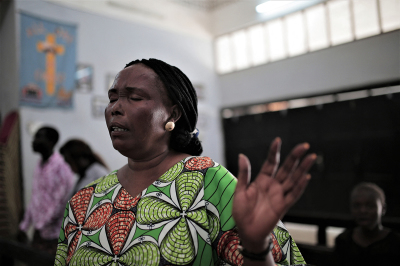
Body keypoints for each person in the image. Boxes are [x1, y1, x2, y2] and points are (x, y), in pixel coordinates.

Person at [54, 59, 316, 266]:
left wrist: (257, 248)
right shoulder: (84, 201)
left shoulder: (208, 182)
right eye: (113, 98)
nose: (115, 108)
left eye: (134, 98)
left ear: (173, 113)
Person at [19, 126, 75, 255]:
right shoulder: (39, 165)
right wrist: (25, 225)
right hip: (40, 232)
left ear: (51, 142)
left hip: (55, 234)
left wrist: (40, 223)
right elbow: (35, 198)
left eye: (38, 137)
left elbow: (60, 203)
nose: (33, 141)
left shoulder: (61, 167)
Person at [334, 182, 400, 266]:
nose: (362, 211)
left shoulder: (395, 243)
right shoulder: (343, 241)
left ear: (383, 209)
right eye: (356, 206)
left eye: (370, 206)